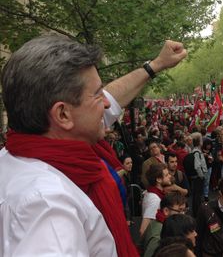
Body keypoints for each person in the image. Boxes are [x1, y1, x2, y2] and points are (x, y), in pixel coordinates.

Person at [0, 35, 186, 256]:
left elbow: (111, 98)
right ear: (62, 114)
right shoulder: (48, 208)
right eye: (97, 94)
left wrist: (155, 65)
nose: (107, 103)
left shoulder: (33, 147)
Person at [141, 191, 187, 257]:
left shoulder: (164, 223)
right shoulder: (158, 236)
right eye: (180, 210)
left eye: (184, 210)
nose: (183, 215)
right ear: (166, 211)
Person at [140, 163, 172, 236]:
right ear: (158, 179)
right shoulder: (154, 199)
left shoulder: (154, 194)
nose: (170, 176)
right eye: (166, 175)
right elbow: (143, 230)